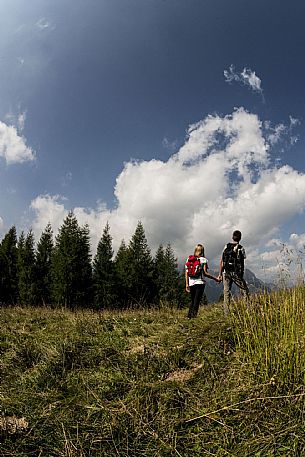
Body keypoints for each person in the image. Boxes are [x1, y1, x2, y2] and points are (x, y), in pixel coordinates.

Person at [218, 230, 249, 315]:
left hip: (226, 272)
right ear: (240, 238)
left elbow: (222, 261)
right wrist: (241, 274)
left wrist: (220, 274)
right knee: (244, 290)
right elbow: (242, 262)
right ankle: (247, 311)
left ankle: (226, 314)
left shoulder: (226, 246)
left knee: (226, 293)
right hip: (236, 273)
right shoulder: (241, 248)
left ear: (232, 237)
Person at [185, 244, 220, 318]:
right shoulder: (203, 260)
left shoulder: (189, 259)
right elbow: (205, 273)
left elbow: (187, 272)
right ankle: (194, 318)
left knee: (192, 300)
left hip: (191, 283)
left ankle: (189, 317)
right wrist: (215, 278)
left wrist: (187, 284)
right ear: (202, 251)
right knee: (196, 301)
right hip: (200, 283)